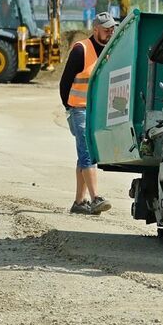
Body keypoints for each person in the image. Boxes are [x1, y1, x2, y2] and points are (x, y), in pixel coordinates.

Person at [59, 11, 117, 215]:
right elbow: (64, 83)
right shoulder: (80, 50)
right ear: (95, 30)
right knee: (87, 153)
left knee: (84, 154)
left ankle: (79, 202)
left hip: (97, 112)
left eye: (112, 29)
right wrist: (69, 107)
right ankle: (95, 199)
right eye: (107, 29)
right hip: (79, 109)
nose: (111, 32)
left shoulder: (111, 50)